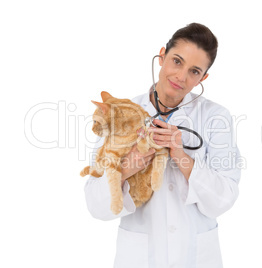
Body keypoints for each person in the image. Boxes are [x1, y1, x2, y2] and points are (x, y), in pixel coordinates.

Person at [84, 23, 241, 268]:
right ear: (161, 56)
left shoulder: (216, 117)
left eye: (194, 71)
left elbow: (225, 198)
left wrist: (181, 156)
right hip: (139, 258)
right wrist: (126, 168)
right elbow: (95, 204)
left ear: (203, 77)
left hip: (196, 257)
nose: (181, 76)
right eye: (177, 61)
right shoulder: (122, 113)